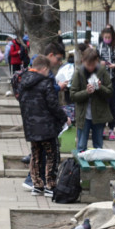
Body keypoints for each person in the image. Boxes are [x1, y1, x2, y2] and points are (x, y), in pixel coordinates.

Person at [18, 56, 71, 197]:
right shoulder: (46, 83)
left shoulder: (23, 81)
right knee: (51, 155)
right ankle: (50, 185)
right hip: (47, 126)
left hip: (31, 126)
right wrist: (64, 118)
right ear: (45, 69)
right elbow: (53, 105)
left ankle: (37, 185)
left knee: (35, 155)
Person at [70, 48, 113, 152]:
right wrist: (86, 92)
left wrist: (100, 87)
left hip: (99, 115)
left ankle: (98, 167)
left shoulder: (102, 72)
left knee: (98, 146)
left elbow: (110, 92)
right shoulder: (78, 73)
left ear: (96, 61)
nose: (90, 67)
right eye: (87, 65)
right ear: (83, 61)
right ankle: (80, 168)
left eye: (92, 65)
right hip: (83, 116)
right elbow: (73, 95)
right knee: (81, 146)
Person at [99, 27, 115, 141]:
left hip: (114, 79)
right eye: (105, 37)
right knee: (104, 103)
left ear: (112, 37)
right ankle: (103, 127)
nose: (107, 39)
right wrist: (100, 64)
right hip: (102, 79)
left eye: (109, 37)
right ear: (102, 37)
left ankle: (112, 127)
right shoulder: (99, 47)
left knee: (113, 105)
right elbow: (93, 61)